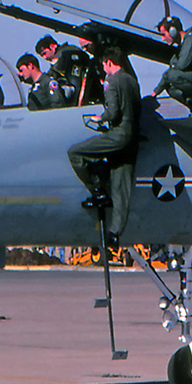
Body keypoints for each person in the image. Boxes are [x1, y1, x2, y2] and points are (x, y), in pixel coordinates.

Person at [66, 50, 140, 244]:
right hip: (133, 137)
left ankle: (97, 188)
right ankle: (114, 233)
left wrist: (101, 118)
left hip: (118, 135)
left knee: (75, 152)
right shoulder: (131, 80)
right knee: (121, 189)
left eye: (103, 65)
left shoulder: (111, 82)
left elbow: (114, 111)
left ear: (108, 62)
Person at [36, 35, 98, 106]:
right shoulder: (73, 50)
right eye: (42, 56)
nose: (45, 57)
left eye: (44, 53)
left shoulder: (63, 55)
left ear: (53, 46)